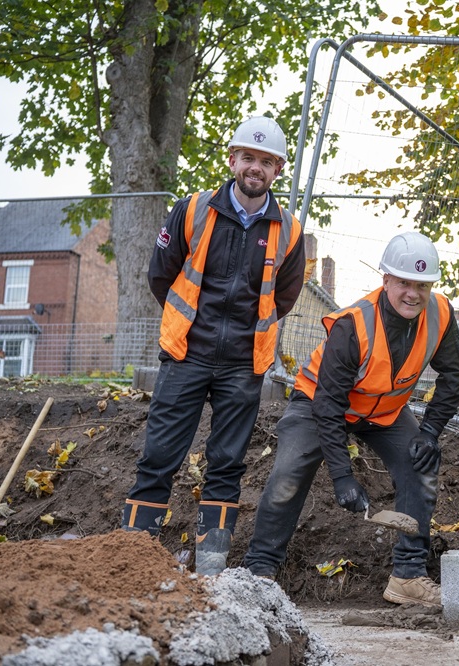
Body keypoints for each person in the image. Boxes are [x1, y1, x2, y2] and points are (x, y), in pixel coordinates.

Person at [120, 116, 306, 576]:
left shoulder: (290, 231)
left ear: (278, 168)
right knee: (159, 457)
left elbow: (284, 296)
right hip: (186, 355)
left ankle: (212, 572)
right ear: (232, 160)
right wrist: (190, 325)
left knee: (226, 463)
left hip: (244, 364)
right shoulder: (194, 210)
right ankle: (132, 564)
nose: (255, 168)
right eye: (248, 158)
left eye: (265, 161)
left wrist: (243, 334)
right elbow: (160, 275)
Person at [243, 231, 459, 607]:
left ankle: (408, 576)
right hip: (319, 405)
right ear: (386, 281)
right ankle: (259, 573)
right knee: (287, 475)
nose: (413, 293)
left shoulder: (440, 314)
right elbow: (328, 407)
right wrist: (343, 478)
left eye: (422, 285)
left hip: (383, 412)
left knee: (421, 467)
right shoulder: (353, 325)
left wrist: (429, 433)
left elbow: (454, 376)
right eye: (404, 283)